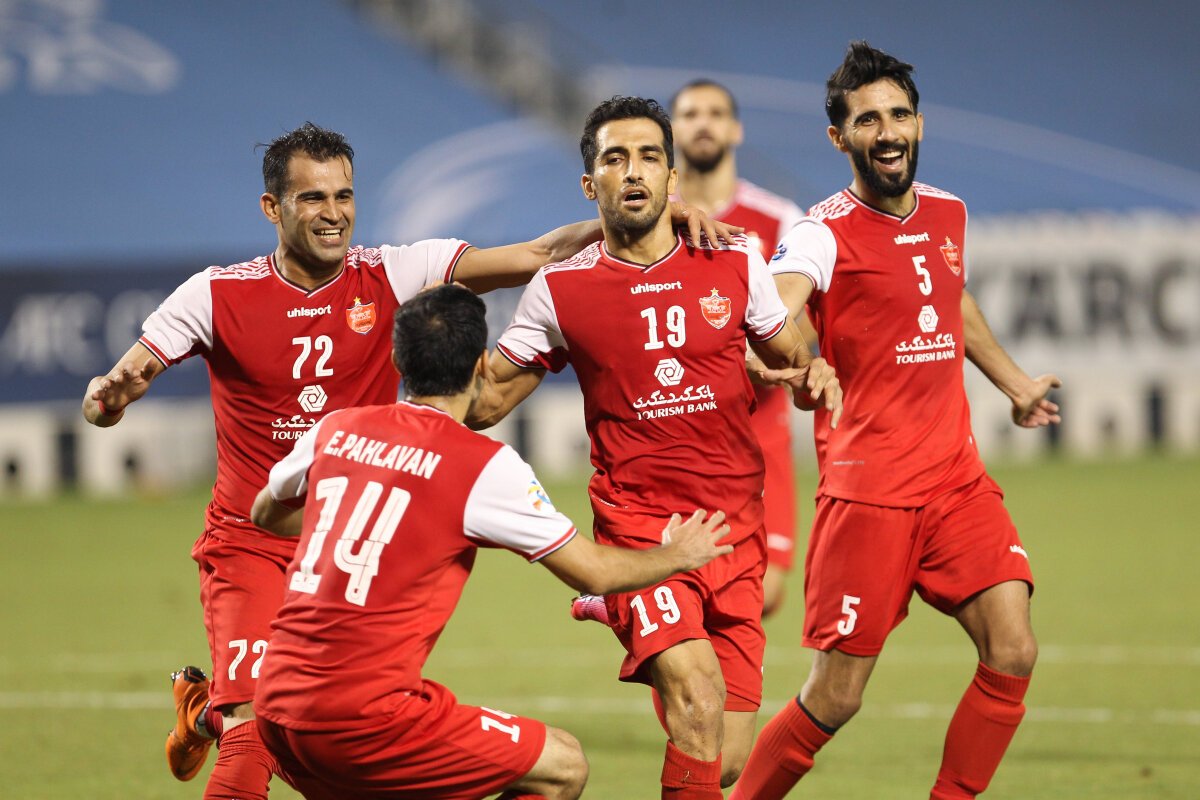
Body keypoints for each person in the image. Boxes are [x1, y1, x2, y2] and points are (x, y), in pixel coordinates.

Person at [80, 122, 733, 800]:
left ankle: (208, 710)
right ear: (272, 208)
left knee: (314, 728)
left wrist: (643, 221)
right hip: (255, 541)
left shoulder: (391, 271)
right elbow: (119, 385)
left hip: (368, 535)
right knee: (256, 734)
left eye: (343, 196)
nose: (333, 213)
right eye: (312, 198)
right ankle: (225, 711)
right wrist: (110, 396)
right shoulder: (214, 294)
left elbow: (539, 252)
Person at [469, 96, 842, 799]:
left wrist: (811, 372)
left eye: (648, 157)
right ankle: (619, 594)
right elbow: (487, 403)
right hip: (640, 531)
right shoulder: (560, 288)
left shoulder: (734, 259)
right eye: (615, 159)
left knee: (725, 759)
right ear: (591, 184)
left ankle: (608, 604)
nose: (634, 171)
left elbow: (794, 358)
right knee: (698, 702)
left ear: (673, 177)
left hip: (733, 530)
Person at [729, 42, 1061, 800]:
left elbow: (950, 298)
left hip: (955, 482)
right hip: (868, 495)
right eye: (867, 120)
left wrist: (1013, 383)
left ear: (919, 123)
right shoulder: (821, 232)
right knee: (836, 697)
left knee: (1013, 648)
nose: (887, 132)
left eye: (899, 115)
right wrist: (786, 348)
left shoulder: (949, 212)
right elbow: (777, 304)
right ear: (838, 137)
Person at [248, 283, 734, 800]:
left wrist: (358, 526)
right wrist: (678, 554)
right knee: (562, 765)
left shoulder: (336, 429)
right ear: (482, 365)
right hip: (363, 720)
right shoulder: (481, 465)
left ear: (396, 359)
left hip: (275, 709)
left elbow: (265, 513)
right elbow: (594, 572)